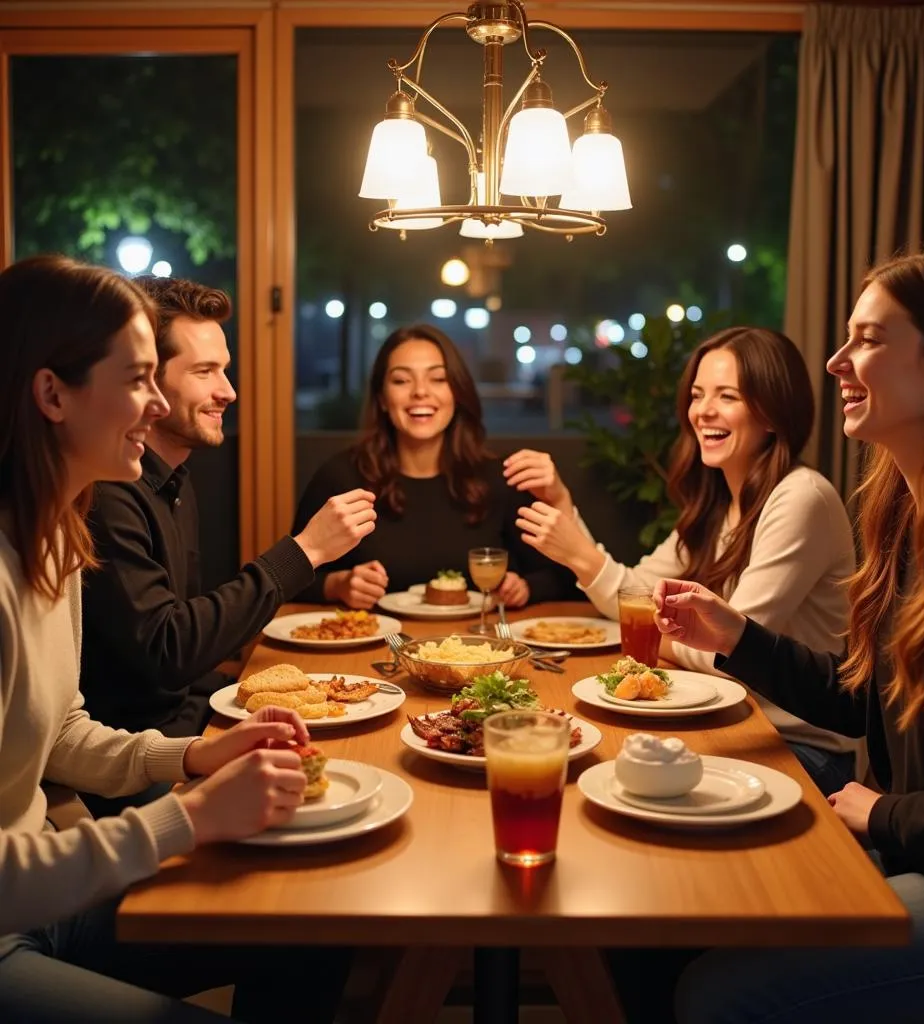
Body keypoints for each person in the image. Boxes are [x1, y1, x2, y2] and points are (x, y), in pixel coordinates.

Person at [654, 253, 924, 1023]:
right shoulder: (906, 518)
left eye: (868, 340)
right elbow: (872, 697)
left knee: (714, 995)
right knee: (684, 912)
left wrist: (880, 815)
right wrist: (739, 638)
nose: (834, 362)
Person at [0, 255, 346, 1023]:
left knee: (313, 926)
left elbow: (60, 731)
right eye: (135, 379)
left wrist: (192, 756)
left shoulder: (55, 544)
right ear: (52, 394)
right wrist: (187, 817)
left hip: (44, 903)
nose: (155, 404)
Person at [511, 327, 860, 795]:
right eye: (697, 395)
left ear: (774, 413)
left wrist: (650, 628)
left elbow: (731, 648)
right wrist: (563, 504)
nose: (703, 411)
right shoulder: (717, 503)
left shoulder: (801, 498)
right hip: (735, 723)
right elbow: (634, 591)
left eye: (727, 396)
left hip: (799, 748)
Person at [79, 276, 376, 750]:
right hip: (143, 755)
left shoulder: (174, 480)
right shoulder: (106, 494)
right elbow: (170, 652)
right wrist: (306, 550)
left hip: (188, 723)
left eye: (225, 370)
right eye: (205, 372)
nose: (229, 392)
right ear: (146, 379)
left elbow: (185, 654)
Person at [292, 323, 575, 609]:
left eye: (438, 379)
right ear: (382, 399)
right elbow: (289, 577)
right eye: (401, 381)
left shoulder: (500, 478)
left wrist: (526, 587)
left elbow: (566, 574)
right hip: (377, 647)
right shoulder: (341, 478)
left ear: (457, 393)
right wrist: (337, 585)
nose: (420, 392)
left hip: (480, 649)